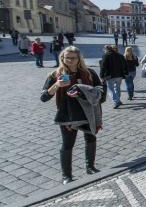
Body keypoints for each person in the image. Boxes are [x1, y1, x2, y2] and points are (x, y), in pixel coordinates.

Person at [40, 46, 105, 184]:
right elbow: (44, 97)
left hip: (88, 112)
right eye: (66, 58)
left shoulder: (89, 73)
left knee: (91, 138)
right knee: (68, 144)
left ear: (78, 59)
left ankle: (90, 167)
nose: (69, 60)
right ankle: (66, 176)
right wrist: (57, 85)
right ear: (62, 58)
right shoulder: (55, 75)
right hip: (67, 114)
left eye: (73, 58)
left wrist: (84, 91)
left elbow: (101, 93)